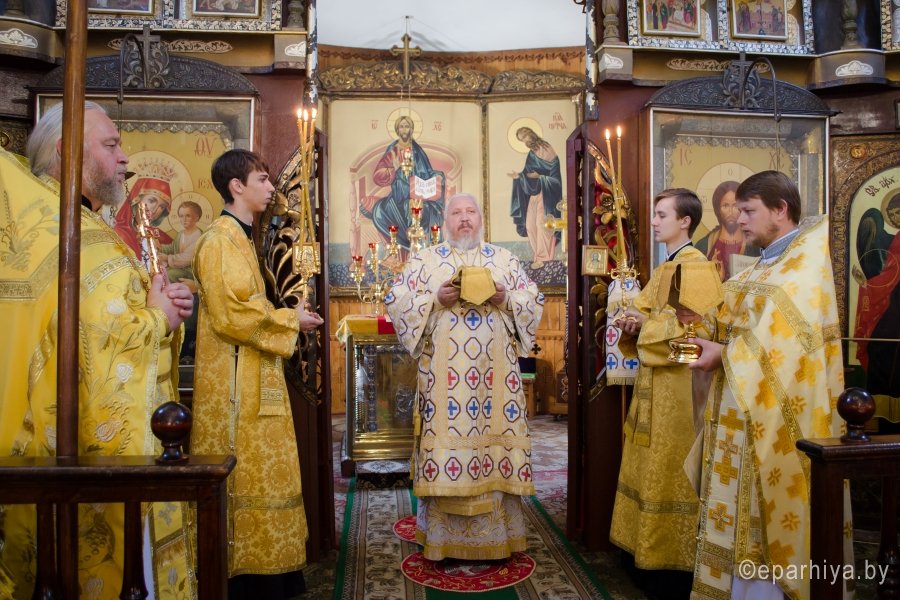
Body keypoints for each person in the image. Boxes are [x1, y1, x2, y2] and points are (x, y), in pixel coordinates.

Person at [0, 101, 195, 598]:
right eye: (111, 145)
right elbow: (97, 336)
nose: (124, 157)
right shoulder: (62, 229)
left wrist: (163, 309)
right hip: (81, 452)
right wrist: (159, 318)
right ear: (68, 152)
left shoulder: (81, 223)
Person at [687, 171, 849, 600]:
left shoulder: (804, 267)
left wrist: (723, 353)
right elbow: (737, 322)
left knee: (762, 520)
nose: (739, 220)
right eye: (739, 211)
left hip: (776, 420)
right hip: (740, 413)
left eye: (748, 210)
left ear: (780, 209)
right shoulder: (767, 262)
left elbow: (783, 346)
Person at [190, 148, 324, 599]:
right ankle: (244, 575)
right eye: (262, 179)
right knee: (245, 473)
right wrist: (291, 320)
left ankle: (272, 571)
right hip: (234, 386)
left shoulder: (243, 238)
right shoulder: (218, 241)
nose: (271, 187)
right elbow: (230, 315)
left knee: (267, 473)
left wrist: (288, 316)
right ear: (237, 186)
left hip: (254, 375)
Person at [385, 192, 543, 561]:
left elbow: (533, 299)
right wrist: (434, 299)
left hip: (495, 381)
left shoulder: (503, 259)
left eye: (471, 211)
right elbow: (396, 299)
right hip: (445, 384)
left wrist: (505, 298)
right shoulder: (426, 260)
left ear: (481, 219)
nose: (465, 218)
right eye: (457, 212)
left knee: (493, 447)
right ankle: (442, 539)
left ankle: (497, 539)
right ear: (445, 221)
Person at [609, 189, 715, 593]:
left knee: (670, 470)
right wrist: (632, 322)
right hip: (654, 387)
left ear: (685, 221)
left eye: (661, 214)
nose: (653, 221)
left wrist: (645, 328)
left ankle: (671, 566)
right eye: (654, 214)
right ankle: (642, 555)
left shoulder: (696, 267)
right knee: (648, 467)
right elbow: (647, 314)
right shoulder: (667, 266)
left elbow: (699, 334)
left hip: (680, 393)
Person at [363, 114, 445, 249]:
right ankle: (405, 246)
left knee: (430, 210)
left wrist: (438, 176)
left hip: (418, 194)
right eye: (401, 127)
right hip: (400, 196)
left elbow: (428, 172)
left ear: (411, 129)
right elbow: (378, 176)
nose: (404, 129)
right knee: (393, 210)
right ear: (397, 130)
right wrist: (393, 168)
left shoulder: (418, 150)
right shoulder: (393, 151)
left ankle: (426, 247)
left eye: (407, 126)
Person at [852, 193, 900, 399]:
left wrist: (868, 284)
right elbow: (890, 273)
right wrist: (867, 284)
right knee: (879, 346)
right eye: (892, 213)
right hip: (892, 301)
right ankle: (880, 395)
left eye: (899, 212)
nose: (896, 217)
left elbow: (893, 274)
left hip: (895, 301)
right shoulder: (893, 239)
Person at [508, 126, 562, 269]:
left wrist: (541, 176)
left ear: (530, 134)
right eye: (522, 140)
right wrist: (519, 177)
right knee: (530, 225)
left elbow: (554, 174)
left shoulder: (547, 148)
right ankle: (538, 256)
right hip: (534, 193)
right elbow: (527, 173)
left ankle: (544, 259)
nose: (525, 141)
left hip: (547, 193)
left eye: (525, 137)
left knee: (541, 224)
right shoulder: (531, 154)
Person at [694, 180, 758, 281]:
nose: (730, 212)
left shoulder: (755, 245)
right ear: (718, 210)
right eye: (725, 205)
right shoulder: (704, 245)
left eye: (735, 206)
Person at [113, 169, 174, 258]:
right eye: (151, 201)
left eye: (162, 207)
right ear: (136, 199)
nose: (155, 210)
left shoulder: (162, 237)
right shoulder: (120, 233)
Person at [160, 200, 203, 285]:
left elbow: (187, 258)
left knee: (168, 274)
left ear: (196, 217)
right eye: (181, 216)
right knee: (161, 270)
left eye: (188, 216)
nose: (184, 219)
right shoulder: (181, 234)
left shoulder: (198, 235)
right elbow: (173, 248)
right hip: (179, 268)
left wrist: (167, 258)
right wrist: (160, 247)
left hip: (190, 271)